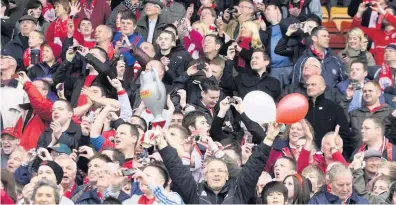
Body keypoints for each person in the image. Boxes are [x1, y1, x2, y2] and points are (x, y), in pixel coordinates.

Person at [156, 120, 276, 204]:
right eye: (212, 171)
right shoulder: (194, 193)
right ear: (205, 175)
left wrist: (269, 137)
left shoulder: (239, 191)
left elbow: (254, 166)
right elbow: (176, 169)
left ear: (227, 174)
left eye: (220, 170)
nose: (216, 174)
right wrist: (162, 144)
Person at [304, 75, 351, 155]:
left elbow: (344, 136)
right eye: (308, 85)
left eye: (313, 84)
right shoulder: (302, 108)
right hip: (305, 153)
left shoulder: (334, 108)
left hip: (327, 155)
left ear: (323, 87)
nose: (309, 87)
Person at [348, 81, 394, 151]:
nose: (367, 93)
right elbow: (341, 124)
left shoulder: (390, 112)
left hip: (384, 157)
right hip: (359, 156)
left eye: (370, 91)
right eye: (364, 91)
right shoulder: (355, 113)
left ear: (379, 93)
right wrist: (347, 99)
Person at [279, 57, 344, 104]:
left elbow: (340, 112)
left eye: (311, 65)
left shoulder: (331, 92)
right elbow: (280, 106)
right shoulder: (291, 90)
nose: (307, 67)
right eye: (305, 65)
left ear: (319, 71)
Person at [14, 72, 53, 150]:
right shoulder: (26, 109)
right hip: (21, 154)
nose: (30, 89)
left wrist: (28, 84)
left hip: (36, 154)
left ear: (45, 91)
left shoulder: (51, 107)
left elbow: (39, 103)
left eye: (35, 87)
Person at [263, 4, 293, 88]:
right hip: (273, 70)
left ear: (277, 10)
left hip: (290, 67)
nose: (265, 12)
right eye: (265, 10)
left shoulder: (288, 24)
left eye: (268, 9)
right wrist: (262, 31)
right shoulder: (267, 29)